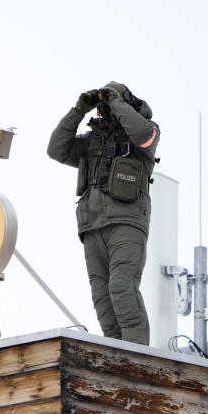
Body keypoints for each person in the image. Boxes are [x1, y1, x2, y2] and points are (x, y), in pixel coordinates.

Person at [47, 82, 160, 345]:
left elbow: (143, 134)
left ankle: (137, 356)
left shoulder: (145, 134)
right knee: (102, 297)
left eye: (107, 104)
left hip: (126, 222)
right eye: (103, 106)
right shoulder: (91, 142)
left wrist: (117, 101)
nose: (104, 110)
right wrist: (79, 109)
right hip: (92, 225)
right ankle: (115, 354)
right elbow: (55, 149)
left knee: (121, 288)